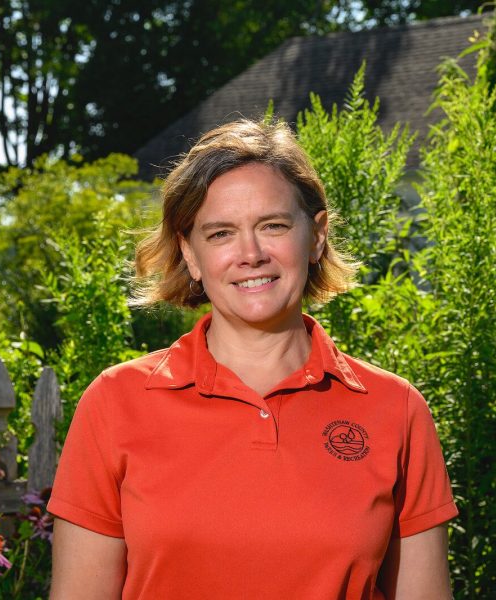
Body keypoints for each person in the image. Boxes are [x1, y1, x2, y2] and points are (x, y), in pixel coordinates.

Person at [48, 119, 458, 599]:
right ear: (191, 255)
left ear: (317, 236)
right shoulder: (116, 403)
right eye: (221, 233)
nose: (250, 254)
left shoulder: (396, 409)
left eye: (273, 225)